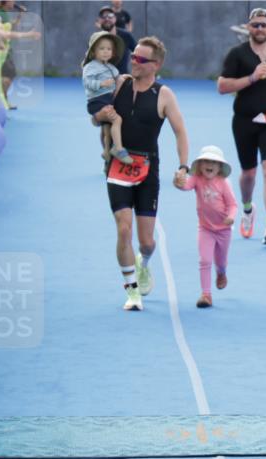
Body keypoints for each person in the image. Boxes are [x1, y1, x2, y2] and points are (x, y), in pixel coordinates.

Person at [98, 36, 189, 311]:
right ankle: (132, 290)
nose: (133, 62)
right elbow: (95, 117)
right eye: (133, 57)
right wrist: (100, 115)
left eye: (140, 59)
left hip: (148, 168)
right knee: (123, 229)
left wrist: (183, 167)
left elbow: (180, 132)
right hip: (117, 166)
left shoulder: (164, 95)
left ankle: (144, 262)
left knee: (147, 242)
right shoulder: (119, 84)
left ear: (156, 65)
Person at [216, 7, 266, 247]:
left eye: (264, 25)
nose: (260, 29)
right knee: (249, 173)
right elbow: (222, 86)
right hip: (244, 120)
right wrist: (251, 78)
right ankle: (247, 208)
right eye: (255, 25)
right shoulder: (237, 54)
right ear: (248, 28)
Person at [173, 145, 238, 308]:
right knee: (205, 260)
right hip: (205, 229)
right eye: (206, 162)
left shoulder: (223, 183)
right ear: (200, 165)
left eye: (214, 163)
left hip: (223, 230)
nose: (210, 165)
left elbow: (233, 205)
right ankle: (206, 294)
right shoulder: (197, 179)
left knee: (221, 260)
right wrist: (177, 182)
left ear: (220, 167)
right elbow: (185, 186)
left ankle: (221, 272)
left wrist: (230, 217)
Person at [81, 31, 132, 165]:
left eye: (109, 49)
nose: (105, 52)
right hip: (97, 101)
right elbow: (87, 83)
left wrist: (125, 77)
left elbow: (118, 77)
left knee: (107, 127)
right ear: (93, 52)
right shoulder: (90, 67)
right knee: (117, 119)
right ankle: (118, 148)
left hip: (108, 100)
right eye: (101, 49)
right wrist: (101, 84)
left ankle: (106, 150)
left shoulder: (110, 67)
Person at [96, 6, 135, 75]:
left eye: (110, 16)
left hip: (123, 79)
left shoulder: (126, 36)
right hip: (103, 80)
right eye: (103, 17)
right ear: (99, 21)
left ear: (115, 19)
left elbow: (137, 53)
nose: (107, 19)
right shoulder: (96, 38)